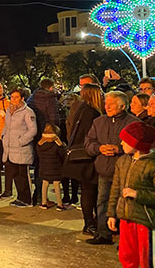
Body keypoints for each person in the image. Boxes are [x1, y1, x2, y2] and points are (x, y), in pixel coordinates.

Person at [85, 90, 139, 245]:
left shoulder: (133, 123)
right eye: (106, 103)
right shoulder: (98, 122)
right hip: (104, 170)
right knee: (102, 201)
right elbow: (88, 142)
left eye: (111, 104)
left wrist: (119, 149)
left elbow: (139, 145)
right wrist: (99, 148)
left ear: (122, 106)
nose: (106, 106)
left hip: (125, 172)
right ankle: (104, 234)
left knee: (124, 205)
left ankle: (125, 238)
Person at [107, 121, 155, 268]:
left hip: (144, 221)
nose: (121, 143)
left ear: (138, 144)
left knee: (145, 259)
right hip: (126, 219)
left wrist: (137, 194)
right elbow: (115, 189)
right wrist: (112, 214)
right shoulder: (122, 161)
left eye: (126, 140)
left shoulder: (151, 165)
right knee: (126, 256)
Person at [63, 84, 104, 236]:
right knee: (89, 190)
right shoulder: (91, 112)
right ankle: (89, 223)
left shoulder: (81, 109)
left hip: (80, 155)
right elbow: (90, 135)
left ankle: (90, 221)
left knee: (88, 190)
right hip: (86, 156)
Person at [1, 87, 38, 207]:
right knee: (15, 174)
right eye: (12, 97)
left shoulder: (28, 112)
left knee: (23, 175)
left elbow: (33, 130)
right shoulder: (8, 110)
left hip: (22, 149)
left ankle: (26, 199)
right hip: (10, 149)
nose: (14, 99)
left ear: (22, 98)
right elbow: (7, 126)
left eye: (16, 97)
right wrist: (4, 136)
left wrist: (21, 141)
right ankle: (20, 197)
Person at [27, 78, 60, 206]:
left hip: (35, 136)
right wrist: (55, 135)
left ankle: (38, 195)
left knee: (38, 166)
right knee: (47, 165)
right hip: (47, 135)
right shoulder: (50, 98)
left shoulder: (32, 97)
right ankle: (43, 197)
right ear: (51, 87)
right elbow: (54, 118)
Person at [37, 123, 66, 210]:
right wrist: (61, 144)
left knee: (45, 184)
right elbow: (63, 154)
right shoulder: (56, 143)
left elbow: (38, 153)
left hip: (44, 168)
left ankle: (44, 203)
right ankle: (60, 205)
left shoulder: (41, 143)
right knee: (56, 184)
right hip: (55, 169)